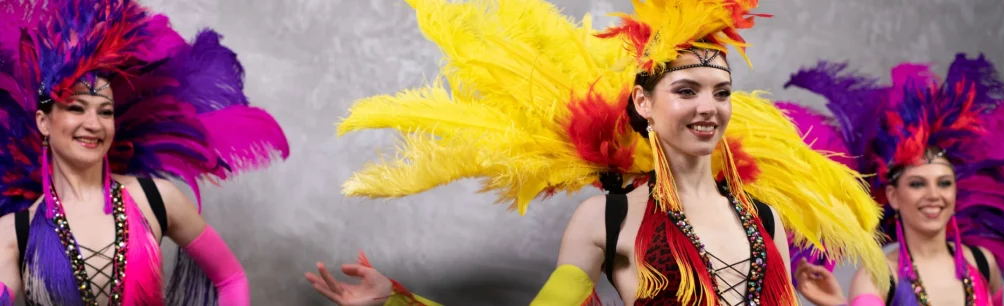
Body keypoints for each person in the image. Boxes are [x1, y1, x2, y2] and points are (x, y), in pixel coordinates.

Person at [308, 0, 893, 304]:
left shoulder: (762, 215)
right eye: (685, 91)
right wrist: (397, 304)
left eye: (721, 92)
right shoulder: (607, 218)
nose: (707, 108)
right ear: (642, 103)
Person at [0, 0, 290, 304]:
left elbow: (231, 279)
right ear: (44, 122)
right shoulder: (15, 231)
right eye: (76, 108)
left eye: (106, 112)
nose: (93, 124)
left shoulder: (155, 199)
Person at [780, 54, 1004, 305]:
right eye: (917, 183)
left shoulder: (983, 264)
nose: (934, 194)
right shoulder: (878, 279)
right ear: (894, 197)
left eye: (944, 183)